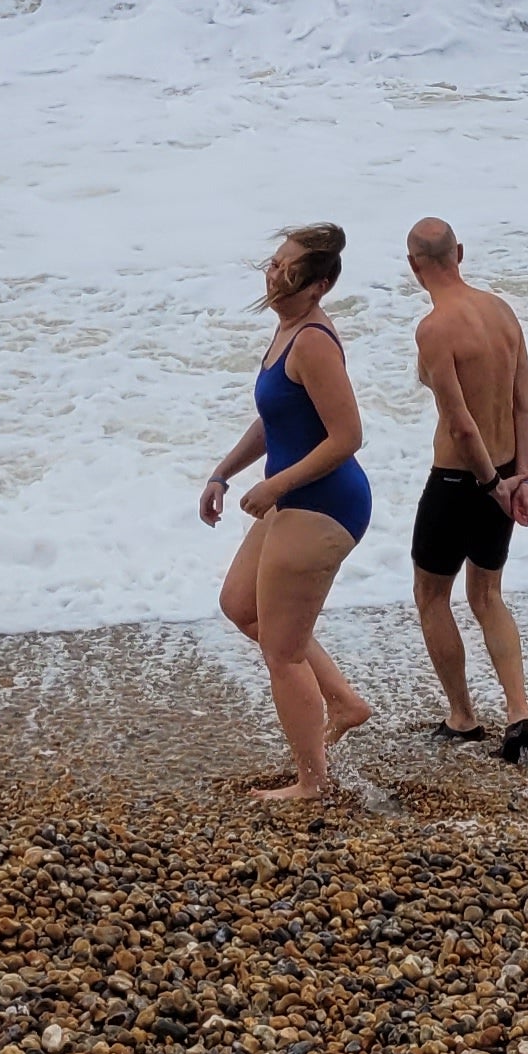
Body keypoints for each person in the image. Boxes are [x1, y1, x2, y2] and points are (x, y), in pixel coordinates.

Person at [197, 221, 377, 802]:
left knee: (283, 650)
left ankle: (312, 784)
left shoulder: (314, 342)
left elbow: (348, 435)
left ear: (319, 285)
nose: (274, 272)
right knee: (239, 606)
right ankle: (344, 703)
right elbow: (276, 418)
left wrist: (275, 487)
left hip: (325, 503)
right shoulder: (285, 332)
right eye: (274, 262)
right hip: (296, 496)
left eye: (289, 267)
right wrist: (225, 472)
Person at [401, 216, 528, 763]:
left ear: (414, 265)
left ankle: (462, 717)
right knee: (488, 595)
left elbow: (459, 423)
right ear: (459, 252)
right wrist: (521, 477)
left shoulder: (435, 329)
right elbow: (526, 399)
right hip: (507, 469)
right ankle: (519, 712)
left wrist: (490, 485)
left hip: (462, 481)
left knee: (432, 596)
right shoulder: (502, 312)